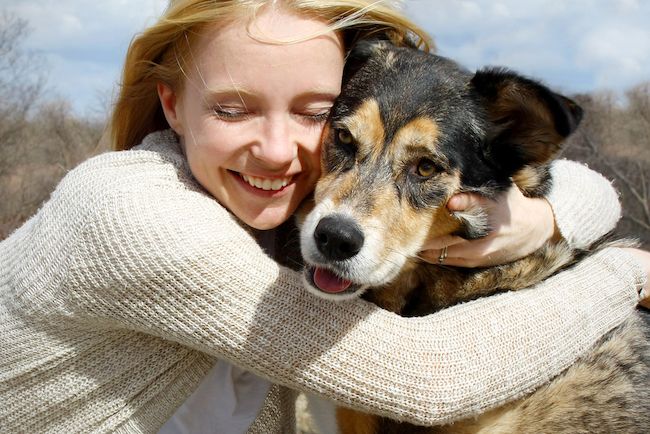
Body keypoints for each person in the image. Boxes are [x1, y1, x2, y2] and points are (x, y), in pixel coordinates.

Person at [1, 0, 648, 432]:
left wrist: (546, 219)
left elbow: (574, 178)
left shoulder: (259, 204)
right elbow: (430, 379)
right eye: (232, 109)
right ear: (171, 105)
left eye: (314, 114)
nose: (280, 149)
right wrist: (621, 273)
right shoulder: (136, 218)